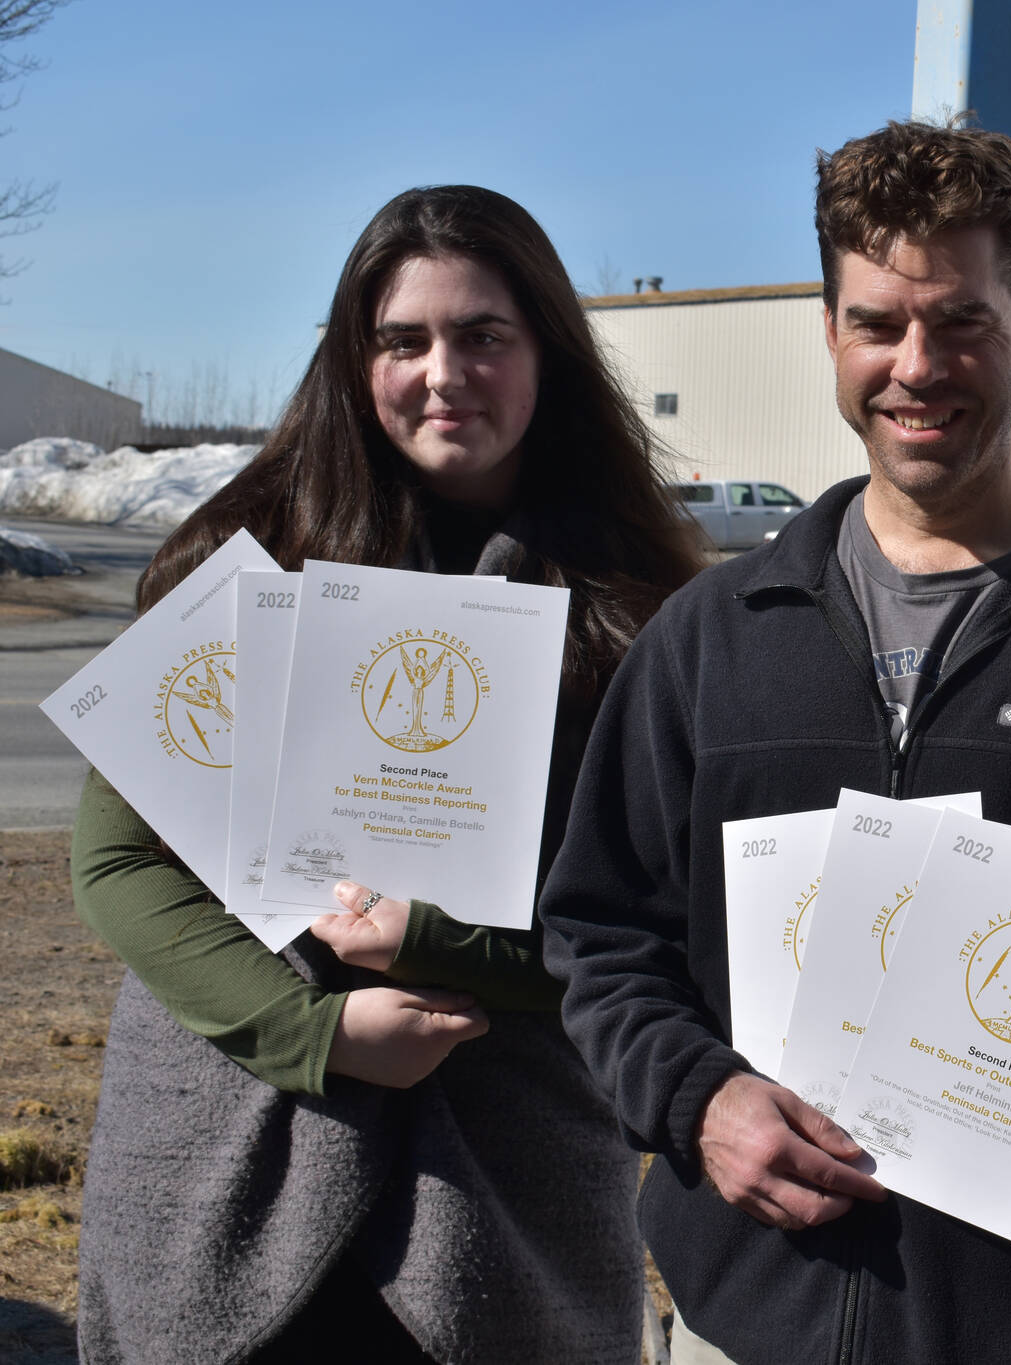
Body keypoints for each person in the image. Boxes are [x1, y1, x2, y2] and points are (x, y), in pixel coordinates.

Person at [538, 121, 1011, 1365]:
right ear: (832, 337)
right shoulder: (711, 642)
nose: (917, 365)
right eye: (879, 323)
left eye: (962, 324)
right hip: (746, 1326)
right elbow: (603, 932)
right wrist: (698, 1101)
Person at [72, 184, 705, 1363]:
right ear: (353, 360)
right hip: (225, 1158)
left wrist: (442, 947)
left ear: (548, 356)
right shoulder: (243, 558)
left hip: (505, 1189)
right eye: (402, 340)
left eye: (482, 337)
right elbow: (114, 859)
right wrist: (315, 1032)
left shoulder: (639, 611)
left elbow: (650, 925)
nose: (441, 372)